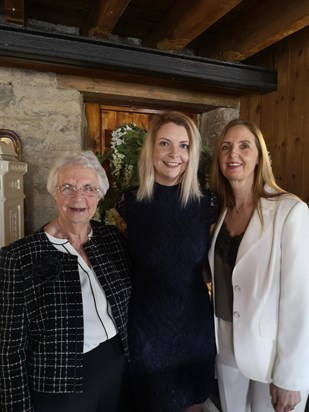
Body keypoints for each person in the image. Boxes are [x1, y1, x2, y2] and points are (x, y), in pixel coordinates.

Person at [0, 151, 131, 412]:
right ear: (54, 192)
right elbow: (7, 351)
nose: (78, 197)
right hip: (58, 382)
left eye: (88, 188)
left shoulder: (112, 240)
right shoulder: (18, 258)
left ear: (100, 194)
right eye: (67, 187)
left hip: (117, 367)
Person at [115, 112, 217, 412]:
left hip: (193, 329)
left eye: (184, 146)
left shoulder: (207, 205)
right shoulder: (129, 203)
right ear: (151, 149)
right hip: (146, 330)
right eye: (165, 143)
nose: (175, 154)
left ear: (192, 153)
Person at [208, 118, 309, 412]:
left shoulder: (290, 210)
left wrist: (290, 375)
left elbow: (300, 299)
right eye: (225, 147)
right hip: (225, 346)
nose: (232, 154)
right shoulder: (218, 213)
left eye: (243, 146)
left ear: (259, 156)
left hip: (272, 354)